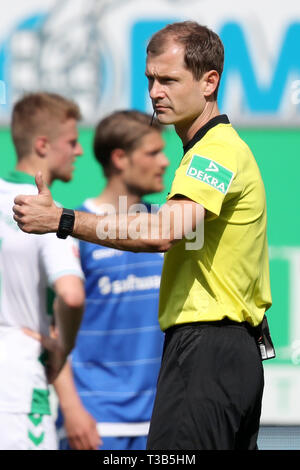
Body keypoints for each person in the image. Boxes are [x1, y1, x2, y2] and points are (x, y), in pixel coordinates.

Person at [12, 21, 273, 450]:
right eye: (150, 79)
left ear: (210, 82)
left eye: (169, 80)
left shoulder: (216, 150)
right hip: (221, 353)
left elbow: (162, 233)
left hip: (207, 349)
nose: (154, 92)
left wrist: (62, 219)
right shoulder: (206, 151)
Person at [54, 110, 168, 451]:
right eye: (152, 153)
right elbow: (53, 331)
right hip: (95, 421)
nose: (164, 162)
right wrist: (72, 410)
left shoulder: (168, 226)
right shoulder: (72, 228)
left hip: (161, 419)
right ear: (120, 158)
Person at [0, 92, 85, 450]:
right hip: (18, 382)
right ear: (42, 145)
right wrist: (61, 348)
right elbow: (71, 294)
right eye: (72, 141)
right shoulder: (46, 212)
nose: (79, 151)